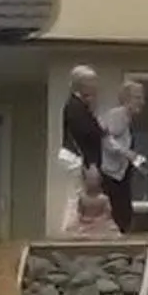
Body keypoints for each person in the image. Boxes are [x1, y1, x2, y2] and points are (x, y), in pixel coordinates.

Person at [59, 65, 104, 236]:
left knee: (77, 194)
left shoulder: (81, 106)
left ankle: (74, 229)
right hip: (76, 157)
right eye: (91, 83)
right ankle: (69, 231)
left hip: (77, 156)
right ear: (81, 85)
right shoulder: (75, 107)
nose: (95, 87)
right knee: (76, 195)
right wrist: (90, 164)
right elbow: (82, 136)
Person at [100, 79, 148, 234]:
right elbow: (105, 138)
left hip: (120, 173)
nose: (142, 102)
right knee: (119, 212)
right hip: (111, 173)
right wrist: (126, 153)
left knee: (124, 212)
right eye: (138, 97)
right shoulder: (118, 115)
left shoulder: (127, 119)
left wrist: (137, 163)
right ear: (126, 99)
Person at [65, 166, 119, 240]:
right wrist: (82, 218)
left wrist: (99, 219)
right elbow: (80, 211)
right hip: (85, 222)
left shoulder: (104, 198)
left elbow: (107, 214)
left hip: (100, 222)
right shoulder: (83, 197)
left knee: (109, 229)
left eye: (94, 180)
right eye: (90, 180)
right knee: (78, 230)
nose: (92, 183)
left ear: (99, 181)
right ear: (84, 181)